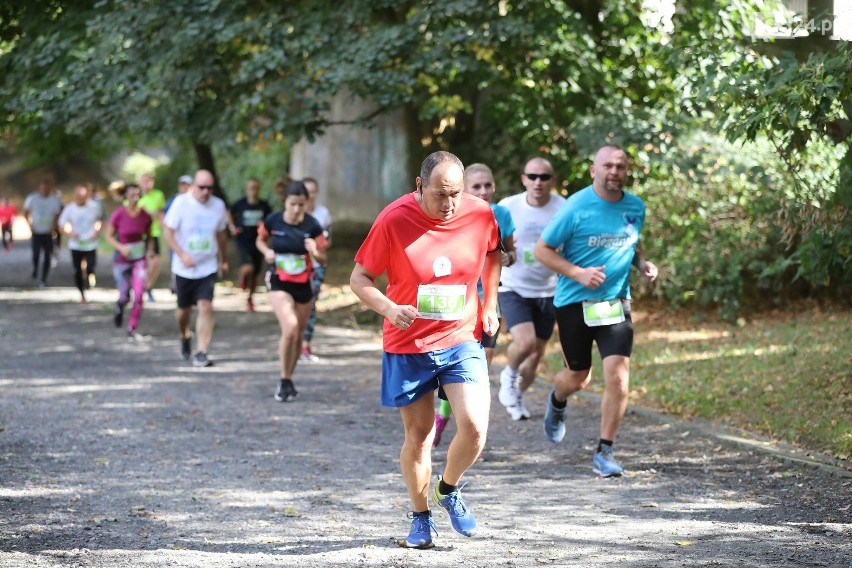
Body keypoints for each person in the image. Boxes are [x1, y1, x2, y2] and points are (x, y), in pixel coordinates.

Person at [350, 151, 501, 549]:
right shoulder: (394, 218)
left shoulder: (480, 213)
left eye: (456, 193)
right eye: (440, 194)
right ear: (419, 187)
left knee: (474, 427)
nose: (449, 204)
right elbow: (360, 276)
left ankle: (448, 489)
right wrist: (388, 307)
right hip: (409, 343)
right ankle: (420, 516)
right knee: (419, 436)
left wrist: (491, 305)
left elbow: (492, 253)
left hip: (460, 337)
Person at [534, 145, 658, 477]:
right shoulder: (577, 207)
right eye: (608, 165)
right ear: (594, 171)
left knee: (618, 377)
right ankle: (558, 401)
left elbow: (630, 242)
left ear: (626, 171)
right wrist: (577, 273)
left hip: (616, 303)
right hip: (574, 302)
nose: (614, 171)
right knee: (578, 377)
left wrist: (641, 263)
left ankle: (605, 451)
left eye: (620, 166)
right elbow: (541, 250)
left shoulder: (635, 206)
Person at [433, 163, 516, 447]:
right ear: (464, 189)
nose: (483, 192)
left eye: (488, 186)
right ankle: (443, 415)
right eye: (476, 187)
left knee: (481, 367)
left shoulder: (502, 214)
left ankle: (471, 435)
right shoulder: (451, 214)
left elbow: (512, 251)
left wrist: (507, 258)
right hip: (457, 301)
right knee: (454, 368)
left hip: (489, 301)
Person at [495, 157, 566, 420]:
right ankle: (509, 375)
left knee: (536, 356)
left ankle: (517, 396)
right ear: (524, 179)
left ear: (552, 181)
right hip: (514, 286)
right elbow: (492, 239)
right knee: (524, 343)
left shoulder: (563, 208)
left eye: (544, 177)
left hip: (549, 289)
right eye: (532, 176)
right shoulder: (508, 207)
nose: (538, 182)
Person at [256, 181, 328, 402]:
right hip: (278, 280)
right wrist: (267, 251)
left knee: (297, 337)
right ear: (285, 202)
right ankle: (283, 379)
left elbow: (323, 258)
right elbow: (260, 239)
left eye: (301, 204)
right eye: (293, 204)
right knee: (290, 328)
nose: (297, 209)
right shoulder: (273, 220)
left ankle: (288, 379)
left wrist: (315, 251)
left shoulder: (313, 225)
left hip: (303, 284)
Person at [163, 170, 229, 368]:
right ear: (193, 186)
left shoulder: (218, 206)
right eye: (201, 187)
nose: (205, 192)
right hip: (184, 268)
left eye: (210, 188)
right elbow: (168, 233)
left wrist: (223, 260)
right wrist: (182, 254)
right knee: (183, 311)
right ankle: (184, 334)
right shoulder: (181, 203)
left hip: (207, 266)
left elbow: (221, 236)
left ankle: (202, 351)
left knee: (205, 306)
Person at [105, 182, 154, 340]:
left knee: (139, 294)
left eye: (137, 194)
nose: (135, 196)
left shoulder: (145, 216)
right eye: (132, 193)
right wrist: (121, 247)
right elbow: (109, 236)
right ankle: (120, 307)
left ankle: (132, 327)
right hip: (121, 260)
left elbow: (150, 236)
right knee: (125, 296)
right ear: (125, 195)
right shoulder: (119, 214)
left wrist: (151, 250)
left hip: (139, 260)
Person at [300, 176, 332, 361]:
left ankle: (305, 345)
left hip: (318, 264)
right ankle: (294, 341)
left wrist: (318, 245)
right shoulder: (295, 212)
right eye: (306, 191)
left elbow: (329, 238)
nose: (309, 196)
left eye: (312, 191)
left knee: (310, 304)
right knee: (298, 306)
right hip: (296, 266)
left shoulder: (323, 213)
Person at [228, 177, 272, 312]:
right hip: (243, 240)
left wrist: (264, 226)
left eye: (255, 188)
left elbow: (270, 221)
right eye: (251, 188)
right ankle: (242, 278)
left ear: (259, 189)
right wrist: (232, 227)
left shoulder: (264, 206)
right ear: (247, 189)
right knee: (248, 267)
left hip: (258, 241)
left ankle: (250, 298)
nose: (253, 191)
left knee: (255, 274)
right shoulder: (240, 204)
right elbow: (228, 212)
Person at [58, 184, 103, 303]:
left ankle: (89, 276)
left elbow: (100, 220)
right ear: (76, 196)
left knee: (91, 266)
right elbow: (61, 225)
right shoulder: (70, 209)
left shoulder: (94, 207)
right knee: (77, 270)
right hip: (76, 244)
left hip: (90, 243)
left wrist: (96, 231)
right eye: (79, 196)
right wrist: (70, 233)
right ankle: (82, 294)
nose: (81, 198)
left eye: (83, 196)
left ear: (87, 196)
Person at [23, 179, 63, 287]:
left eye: (47, 188)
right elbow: (26, 212)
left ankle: (43, 279)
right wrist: (30, 225)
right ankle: (35, 268)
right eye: (43, 188)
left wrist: (54, 226)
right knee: (36, 254)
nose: (45, 190)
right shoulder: (33, 198)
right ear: (40, 188)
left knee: (47, 255)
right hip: (36, 231)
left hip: (48, 232)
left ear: (50, 189)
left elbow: (57, 214)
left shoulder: (54, 200)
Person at [138, 173, 167, 302]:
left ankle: (147, 287)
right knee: (141, 264)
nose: (147, 184)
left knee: (155, 263)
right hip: (138, 235)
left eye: (149, 181)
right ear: (140, 183)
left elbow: (161, 214)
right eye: (144, 181)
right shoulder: (134, 196)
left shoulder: (159, 195)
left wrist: (166, 230)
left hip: (154, 234)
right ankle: (140, 288)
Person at [164, 175, 193, 294]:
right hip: (175, 238)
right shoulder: (173, 201)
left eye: (187, 184)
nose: (184, 187)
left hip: (190, 238)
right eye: (182, 184)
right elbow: (164, 217)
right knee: (175, 260)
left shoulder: (195, 202)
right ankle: (176, 284)